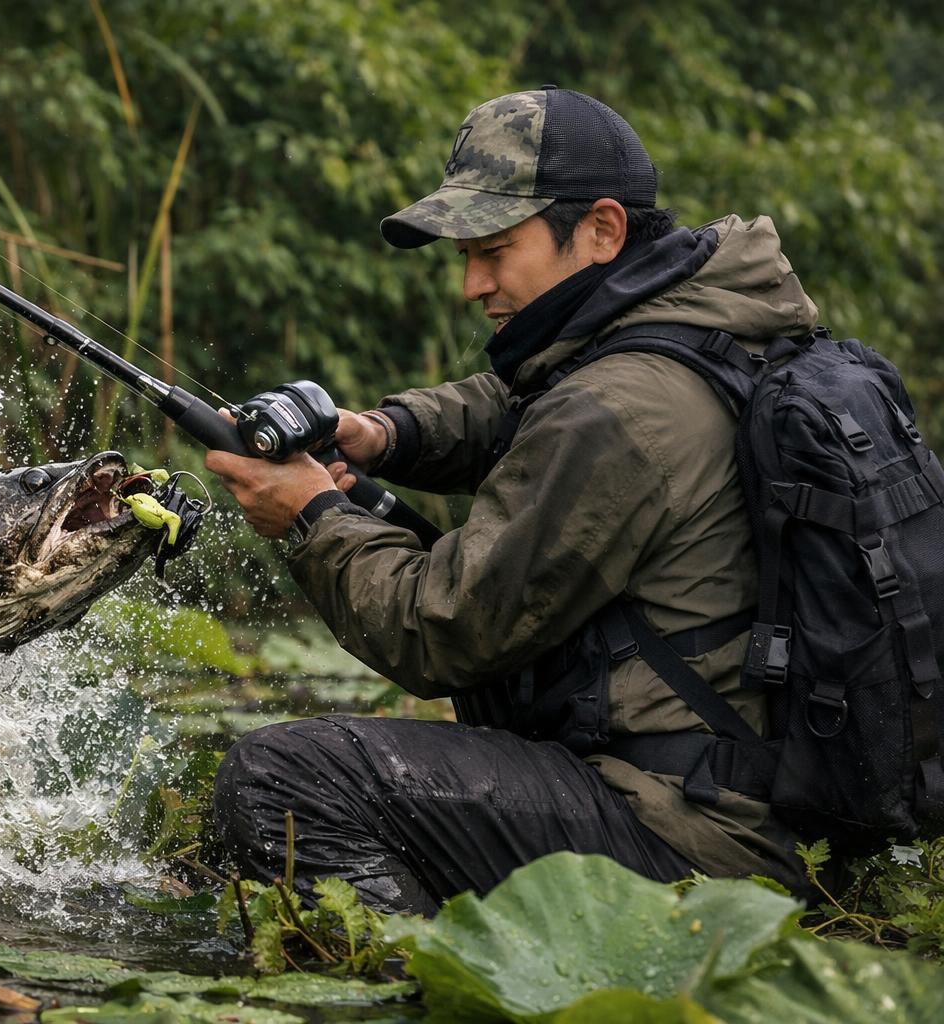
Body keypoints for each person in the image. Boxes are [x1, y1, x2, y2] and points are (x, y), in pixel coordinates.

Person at [204, 86, 816, 915]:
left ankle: (398, 975)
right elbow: (520, 400)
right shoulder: (709, 326)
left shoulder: (619, 408)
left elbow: (441, 630)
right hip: (757, 801)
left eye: (494, 251)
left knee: (279, 780)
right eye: (465, 255)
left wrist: (314, 517)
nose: (472, 283)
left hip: (690, 839)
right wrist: (377, 432)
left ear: (602, 229)